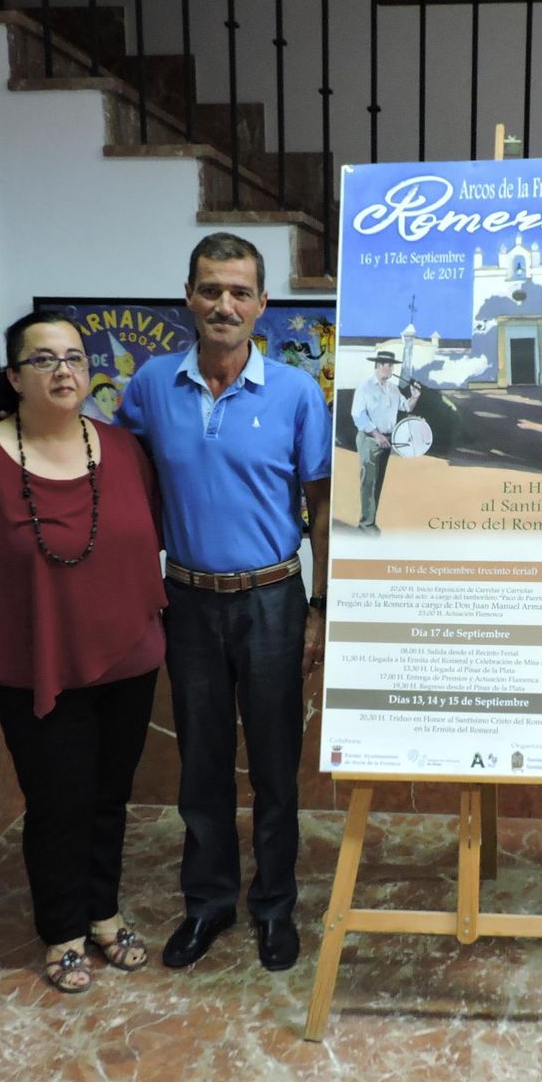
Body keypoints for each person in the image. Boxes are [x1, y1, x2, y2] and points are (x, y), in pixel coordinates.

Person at [118, 231, 331, 973]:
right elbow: (126, 488)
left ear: (263, 305)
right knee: (201, 765)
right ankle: (207, 903)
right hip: (188, 599)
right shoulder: (149, 387)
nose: (224, 304)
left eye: (240, 291)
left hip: (273, 597)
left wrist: (319, 608)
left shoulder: (298, 394)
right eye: (211, 289)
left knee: (275, 764)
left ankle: (274, 907)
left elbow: (322, 505)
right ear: (188, 296)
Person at [0, 311, 166, 995]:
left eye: (74, 357)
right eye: (44, 360)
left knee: (110, 795)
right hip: (33, 663)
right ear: (13, 377)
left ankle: (104, 912)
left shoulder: (124, 450)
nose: (64, 371)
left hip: (128, 657)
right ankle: (63, 930)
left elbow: (147, 539)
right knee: (56, 801)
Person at [349, 349, 421, 534]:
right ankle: (366, 525)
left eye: (392, 366)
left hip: (387, 441)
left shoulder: (393, 388)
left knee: (377, 482)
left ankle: (371, 522)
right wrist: (377, 434)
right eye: (389, 366)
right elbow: (358, 415)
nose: (391, 369)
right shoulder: (365, 387)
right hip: (370, 440)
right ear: (379, 366)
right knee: (368, 483)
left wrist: (414, 397)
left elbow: (405, 407)